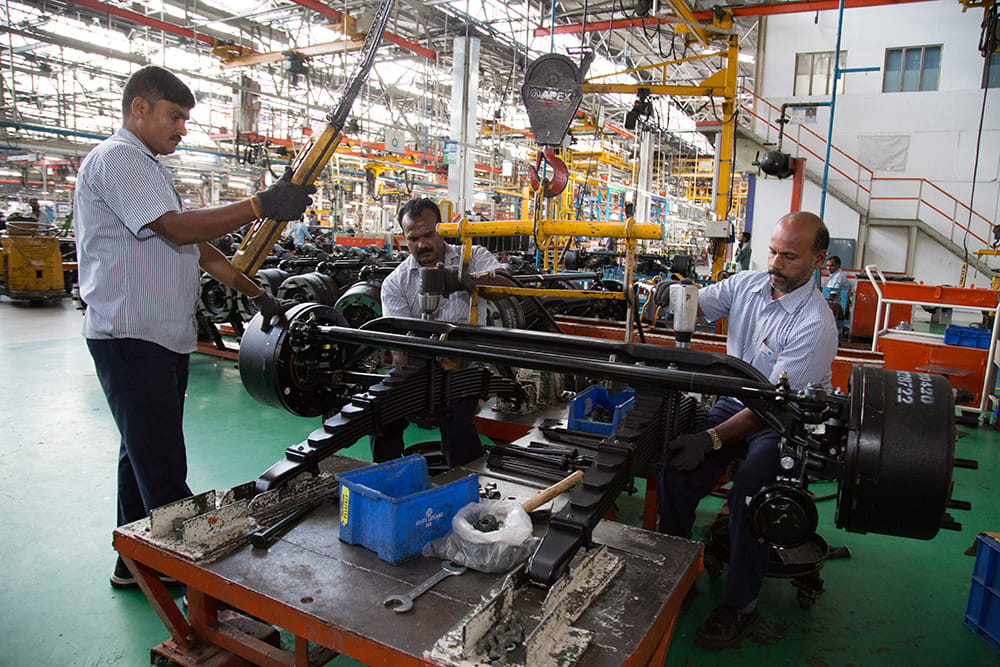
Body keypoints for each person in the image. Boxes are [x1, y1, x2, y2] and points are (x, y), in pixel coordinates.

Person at [73, 65, 315, 589]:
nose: (182, 128)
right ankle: (198, 583)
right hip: (131, 336)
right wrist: (260, 205)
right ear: (139, 108)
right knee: (162, 466)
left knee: (141, 451)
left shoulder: (147, 168)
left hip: (157, 338)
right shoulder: (119, 159)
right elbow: (176, 229)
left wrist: (259, 295)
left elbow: (200, 251)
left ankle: (134, 562)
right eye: (175, 116)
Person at [656, 211, 839, 649]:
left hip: (783, 421)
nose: (775, 264)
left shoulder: (815, 325)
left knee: (753, 497)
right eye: (772, 252)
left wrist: (709, 440)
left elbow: (771, 407)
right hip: (735, 403)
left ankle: (740, 605)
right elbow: (698, 303)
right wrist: (674, 294)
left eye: (789, 257)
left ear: (818, 260)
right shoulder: (746, 286)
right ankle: (677, 571)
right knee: (675, 472)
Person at [374, 197, 514, 467]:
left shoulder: (472, 256)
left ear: (443, 228)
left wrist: (465, 280)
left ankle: (465, 479)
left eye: (428, 235)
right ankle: (388, 477)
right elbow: (400, 351)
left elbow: (506, 287)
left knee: (456, 419)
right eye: (413, 239)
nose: (422, 245)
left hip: (466, 363)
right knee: (382, 412)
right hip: (419, 365)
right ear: (403, 238)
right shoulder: (395, 283)